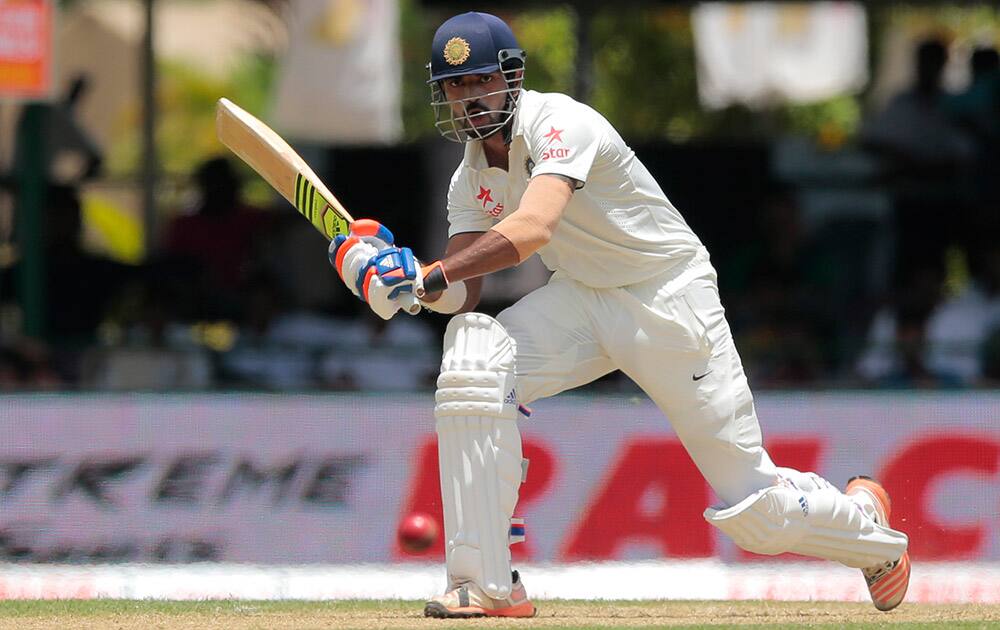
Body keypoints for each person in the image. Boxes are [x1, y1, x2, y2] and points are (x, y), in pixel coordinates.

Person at [330, 12, 910, 618]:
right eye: (455, 87)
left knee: (755, 513)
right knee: (472, 356)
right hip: (583, 299)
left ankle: (872, 533)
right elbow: (460, 291)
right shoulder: (469, 176)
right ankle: (487, 583)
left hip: (667, 298)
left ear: (512, 77)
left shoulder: (561, 122)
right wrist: (399, 283)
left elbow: (532, 228)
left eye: (480, 82)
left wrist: (431, 274)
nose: (469, 100)